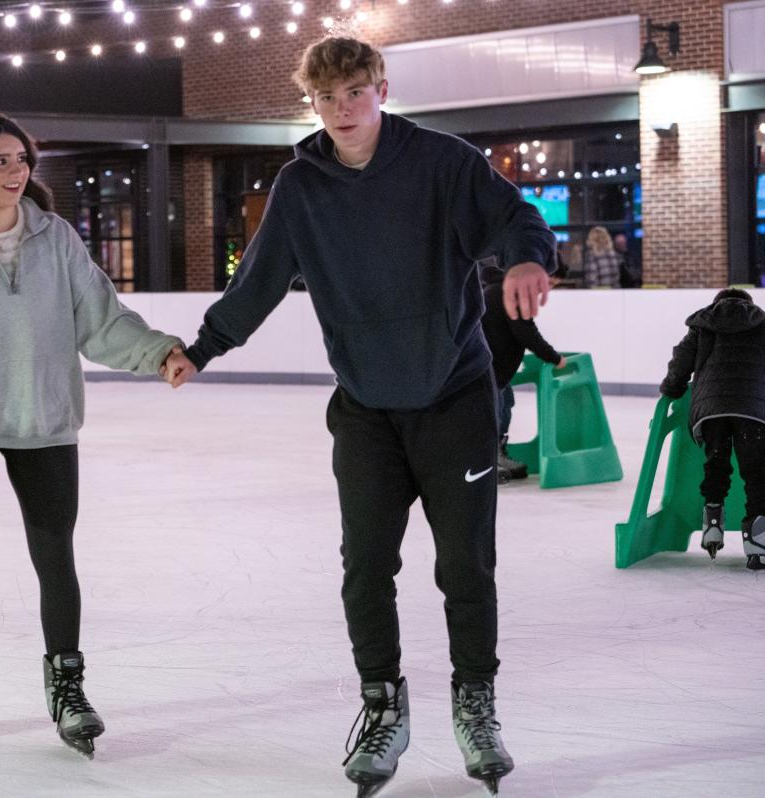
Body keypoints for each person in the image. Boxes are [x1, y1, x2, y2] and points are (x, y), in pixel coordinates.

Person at [160, 36, 555, 797]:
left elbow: (516, 218)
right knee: (366, 567)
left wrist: (528, 257)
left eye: (355, 93)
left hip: (455, 398)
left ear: (381, 90)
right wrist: (205, 347)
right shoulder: (300, 186)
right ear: (311, 101)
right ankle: (382, 705)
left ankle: (476, 702)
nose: (341, 109)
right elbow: (260, 279)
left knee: (464, 565)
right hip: (367, 407)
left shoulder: (441, 162)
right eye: (326, 97)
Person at [0, 114, 183, 755]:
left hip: (44, 423)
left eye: (21, 159)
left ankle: (67, 686)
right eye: (0, 160)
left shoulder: (56, 239)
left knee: (56, 561)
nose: (16, 171)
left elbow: (101, 319)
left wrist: (157, 351)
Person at [659, 287, 765, 569]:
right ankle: (758, 543)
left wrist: (671, 389)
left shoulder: (703, 325)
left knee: (716, 464)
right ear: (749, 304)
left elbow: (681, 361)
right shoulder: (761, 323)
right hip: (752, 410)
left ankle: (713, 523)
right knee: (756, 473)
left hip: (711, 410)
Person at [478, 259, 567, 482]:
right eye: (549, 283)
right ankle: (487, 462)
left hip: (494, 370)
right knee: (493, 413)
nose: (545, 290)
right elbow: (526, 333)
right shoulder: (510, 293)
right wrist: (555, 358)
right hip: (486, 370)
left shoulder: (501, 288)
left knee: (505, 405)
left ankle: (496, 454)